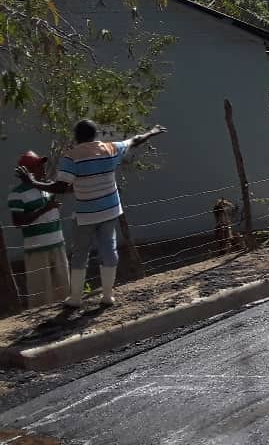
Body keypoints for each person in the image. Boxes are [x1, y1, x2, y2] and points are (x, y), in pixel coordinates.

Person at [15, 120, 165, 307]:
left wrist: (33, 182)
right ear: (96, 134)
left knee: (80, 255)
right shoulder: (111, 148)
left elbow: (60, 187)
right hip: (110, 211)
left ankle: (76, 299)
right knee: (109, 251)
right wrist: (152, 131)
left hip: (86, 215)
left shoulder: (71, 157)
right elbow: (134, 141)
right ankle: (107, 296)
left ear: (76, 136)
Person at [8, 151, 69, 307]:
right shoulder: (17, 194)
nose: (43, 169)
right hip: (37, 248)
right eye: (38, 167)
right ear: (27, 172)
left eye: (42, 166)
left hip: (57, 243)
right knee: (41, 292)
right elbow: (18, 222)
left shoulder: (47, 187)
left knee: (63, 288)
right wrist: (45, 209)